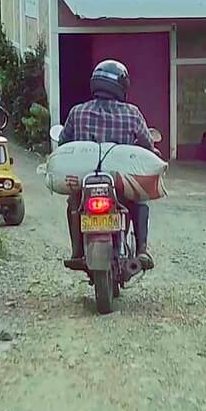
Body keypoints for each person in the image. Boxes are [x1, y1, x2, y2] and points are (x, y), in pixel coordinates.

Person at [59, 59, 155, 271]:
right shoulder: (132, 113)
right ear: (122, 86)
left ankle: (76, 251)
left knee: (74, 203)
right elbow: (147, 144)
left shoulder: (78, 112)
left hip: (86, 182)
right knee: (140, 199)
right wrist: (153, 152)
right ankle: (142, 250)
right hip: (121, 183)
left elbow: (63, 143)